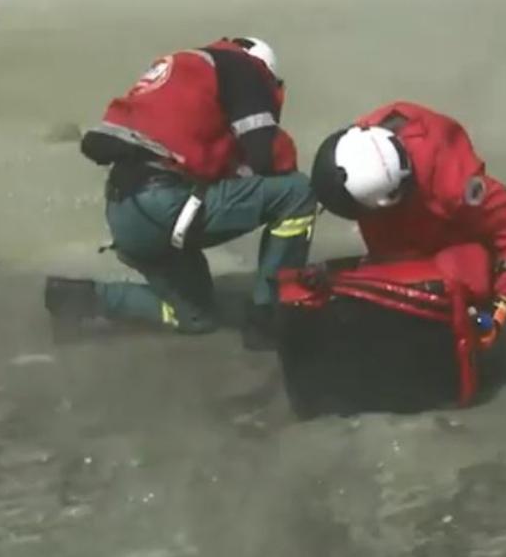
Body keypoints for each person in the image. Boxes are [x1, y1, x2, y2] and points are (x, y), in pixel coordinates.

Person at [45, 37, 317, 350]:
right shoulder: (246, 70)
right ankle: (270, 313)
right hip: (166, 206)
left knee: (197, 317)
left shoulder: (181, 71)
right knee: (298, 193)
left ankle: (81, 298)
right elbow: (267, 156)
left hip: (125, 214)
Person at [308, 100, 506, 349]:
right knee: (388, 270)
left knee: (468, 279)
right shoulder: (363, 144)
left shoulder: (455, 185)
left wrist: (501, 310)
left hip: (449, 233)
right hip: (396, 208)